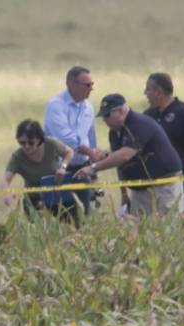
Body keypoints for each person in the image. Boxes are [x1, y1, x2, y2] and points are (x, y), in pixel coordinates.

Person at [74, 94, 183, 217]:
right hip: (140, 189)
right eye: (103, 116)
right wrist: (124, 194)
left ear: (120, 111)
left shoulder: (138, 124)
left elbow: (125, 155)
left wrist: (93, 168)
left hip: (163, 186)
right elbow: (120, 164)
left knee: (164, 227)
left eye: (107, 115)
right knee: (139, 230)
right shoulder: (114, 132)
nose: (105, 120)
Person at [43, 66, 104, 216]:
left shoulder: (89, 108)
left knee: (84, 215)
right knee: (60, 215)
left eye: (92, 84)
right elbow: (65, 138)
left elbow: (90, 136)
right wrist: (90, 152)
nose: (91, 89)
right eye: (87, 85)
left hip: (82, 169)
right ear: (72, 84)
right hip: (59, 169)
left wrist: (93, 163)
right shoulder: (55, 106)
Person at [143, 72, 184, 200]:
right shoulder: (148, 115)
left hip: (179, 181)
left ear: (158, 92)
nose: (145, 93)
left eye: (148, 89)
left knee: (174, 219)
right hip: (152, 184)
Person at [0, 119, 76, 220]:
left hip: (58, 197)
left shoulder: (51, 144)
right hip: (34, 201)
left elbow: (69, 152)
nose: (26, 146)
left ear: (40, 140)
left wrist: (63, 167)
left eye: (31, 143)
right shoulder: (17, 157)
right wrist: (6, 193)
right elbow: (5, 178)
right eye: (22, 143)